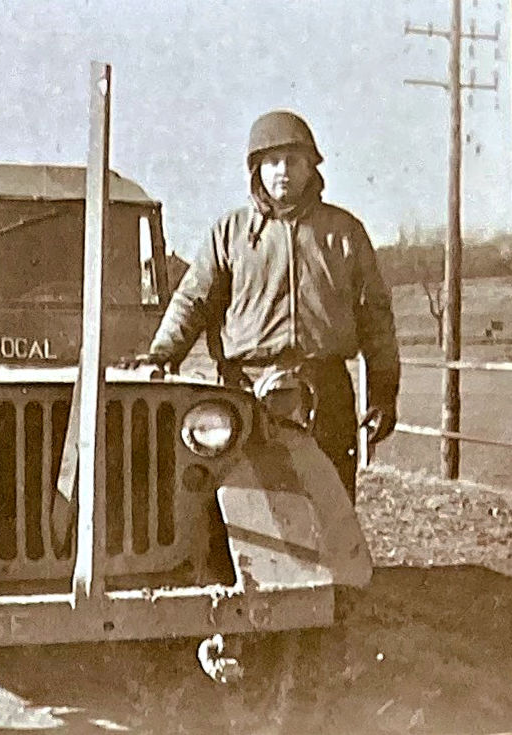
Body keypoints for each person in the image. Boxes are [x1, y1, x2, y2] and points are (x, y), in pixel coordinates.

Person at [124, 110, 400, 502]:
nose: (282, 171)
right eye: (271, 162)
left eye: (292, 160)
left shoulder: (344, 233)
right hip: (245, 389)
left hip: (325, 390)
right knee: (242, 501)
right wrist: (162, 353)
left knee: (330, 503)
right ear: (256, 170)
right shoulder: (230, 233)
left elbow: (376, 317)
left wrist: (384, 394)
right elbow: (193, 300)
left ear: (310, 167)